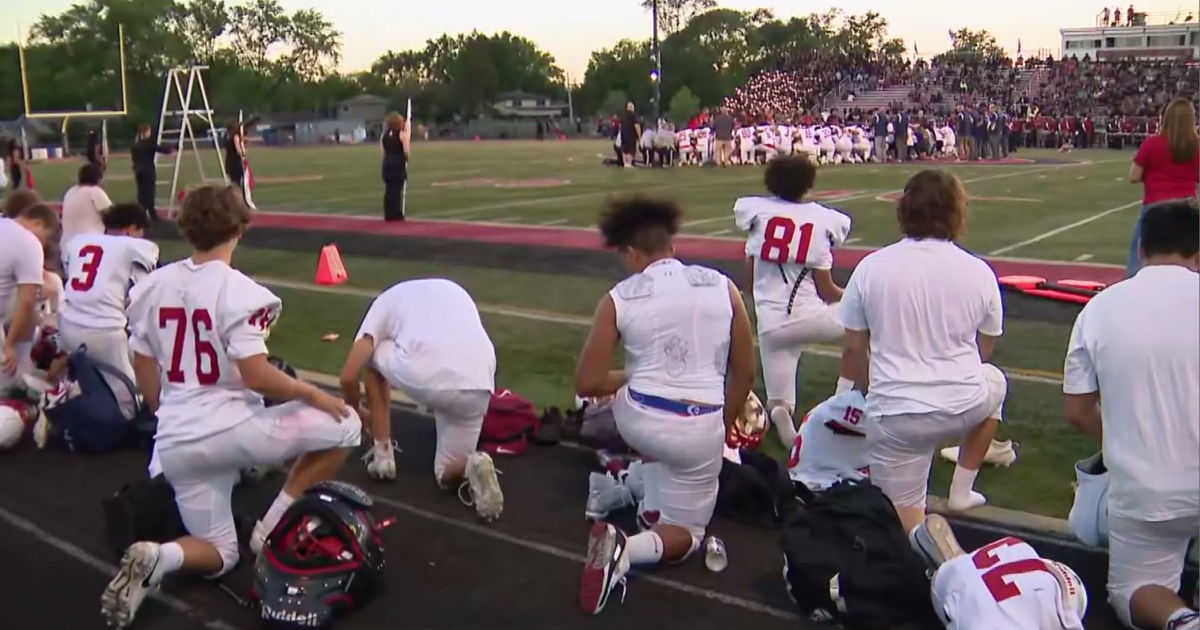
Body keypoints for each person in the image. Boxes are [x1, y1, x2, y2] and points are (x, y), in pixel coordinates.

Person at [100, 185, 361, 629]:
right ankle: (271, 525)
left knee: (220, 554)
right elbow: (256, 374)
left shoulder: (154, 285)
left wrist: (166, 408)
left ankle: (159, 556)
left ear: (186, 228)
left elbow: (142, 359)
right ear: (239, 229)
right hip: (236, 430)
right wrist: (313, 394)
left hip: (177, 440)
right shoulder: (241, 291)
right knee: (348, 425)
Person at [573, 196, 755, 615]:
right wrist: (718, 429)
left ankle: (624, 504)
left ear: (632, 252)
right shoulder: (722, 286)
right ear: (671, 244)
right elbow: (743, 374)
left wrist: (635, 379)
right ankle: (629, 545)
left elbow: (587, 382)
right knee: (688, 534)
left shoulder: (619, 296)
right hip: (698, 425)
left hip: (638, 419)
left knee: (636, 411)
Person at [840, 170, 1007, 534]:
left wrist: (877, 392)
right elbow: (985, 351)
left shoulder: (870, 267)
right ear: (957, 212)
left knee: (901, 526)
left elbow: (855, 350)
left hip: (896, 412)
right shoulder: (979, 271)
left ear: (904, 210)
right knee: (995, 383)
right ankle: (962, 488)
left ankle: (909, 566)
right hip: (962, 402)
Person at [1063, 199, 1199, 630]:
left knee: (1133, 591)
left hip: (1144, 489)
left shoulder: (1100, 308)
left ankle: (1182, 620)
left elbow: (1078, 409)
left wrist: (1122, 441)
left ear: (1141, 248)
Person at [337, 278, 502, 520]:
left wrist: (355, 413)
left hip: (432, 377)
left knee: (373, 357)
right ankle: (471, 464)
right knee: (446, 472)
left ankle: (382, 455)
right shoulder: (451, 289)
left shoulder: (383, 303)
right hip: (481, 380)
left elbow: (348, 376)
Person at [733, 156, 853, 446]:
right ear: (809, 184)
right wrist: (856, 297)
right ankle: (840, 402)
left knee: (779, 401)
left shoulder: (756, 213)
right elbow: (827, 290)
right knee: (867, 322)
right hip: (812, 317)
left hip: (771, 324)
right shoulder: (824, 219)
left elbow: (749, 282)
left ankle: (785, 421)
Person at [59, 203, 159, 418]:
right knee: (127, 400)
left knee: (85, 380)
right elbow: (142, 297)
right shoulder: (135, 247)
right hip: (104, 330)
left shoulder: (79, 242)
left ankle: (62, 409)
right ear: (131, 228)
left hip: (67, 324)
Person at [915, 514, 1089, 630]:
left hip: (1005, 554)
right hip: (950, 592)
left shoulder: (1056, 592)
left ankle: (962, 567)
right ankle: (961, 574)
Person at [1126, 98, 1199, 277]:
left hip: (1155, 206)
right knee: (1190, 258)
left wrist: (1154, 173)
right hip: (1187, 208)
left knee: (1140, 259)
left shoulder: (1152, 143)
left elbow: (1133, 176)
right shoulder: (1196, 146)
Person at [0, 203, 60, 391]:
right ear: (37, 223)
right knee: (7, 391)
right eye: (46, 238)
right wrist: (10, 345)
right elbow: (27, 301)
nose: (44, 245)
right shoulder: (28, 243)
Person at [130, 124, 175, 223]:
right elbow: (164, 150)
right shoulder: (148, 143)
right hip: (148, 170)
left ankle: (141, 213)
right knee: (149, 191)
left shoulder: (135, 144)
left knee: (141, 192)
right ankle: (152, 214)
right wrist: (174, 147)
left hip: (138, 170)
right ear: (146, 132)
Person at [61, 163, 112, 248]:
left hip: (66, 244)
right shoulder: (95, 192)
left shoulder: (71, 191)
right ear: (98, 179)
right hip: (89, 244)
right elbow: (113, 217)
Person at [380, 112, 410, 222]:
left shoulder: (384, 135)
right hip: (398, 162)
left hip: (387, 162)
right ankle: (396, 214)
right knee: (396, 189)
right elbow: (406, 152)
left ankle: (388, 213)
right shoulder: (402, 135)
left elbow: (383, 151)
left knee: (389, 189)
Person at [223, 123, 250, 205]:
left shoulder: (227, 137)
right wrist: (243, 153)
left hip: (229, 162)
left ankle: (234, 200)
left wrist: (243, 141)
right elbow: (238, 149)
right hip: (236, 162)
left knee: (234, 182)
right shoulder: (235, 137)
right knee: (238, 183)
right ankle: (238, 201)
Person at [619, 103, 641, 168]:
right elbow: (636, 126)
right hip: (631, 135)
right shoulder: (633, 115)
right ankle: (629, 163)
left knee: (624, 150)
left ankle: (625, 163)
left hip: (623, 134)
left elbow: (620, 125)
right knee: (630, 150)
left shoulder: (623, 115)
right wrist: (639, 136)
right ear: (632, 108)